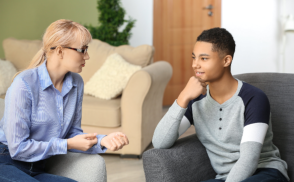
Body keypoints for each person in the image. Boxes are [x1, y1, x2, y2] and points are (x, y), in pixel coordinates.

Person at [152, 27, 289, 182]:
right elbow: (160, 142)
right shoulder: (195, 101)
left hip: (265, 173)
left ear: (226, 60)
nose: (195, 65)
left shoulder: (254, 98)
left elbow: (249, 160)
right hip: (225, 177)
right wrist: (182, 98)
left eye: (203, 58)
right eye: (194, 57)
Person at [0, 19, 129, 182]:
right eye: (82, 50)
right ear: (60, 51)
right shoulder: (24, 84)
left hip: (37, 166)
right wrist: (67, 144)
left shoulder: (76, 83)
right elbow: (17, 149)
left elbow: (73, 134)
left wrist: (103, 140)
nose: (87, 56)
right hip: (6, 161)